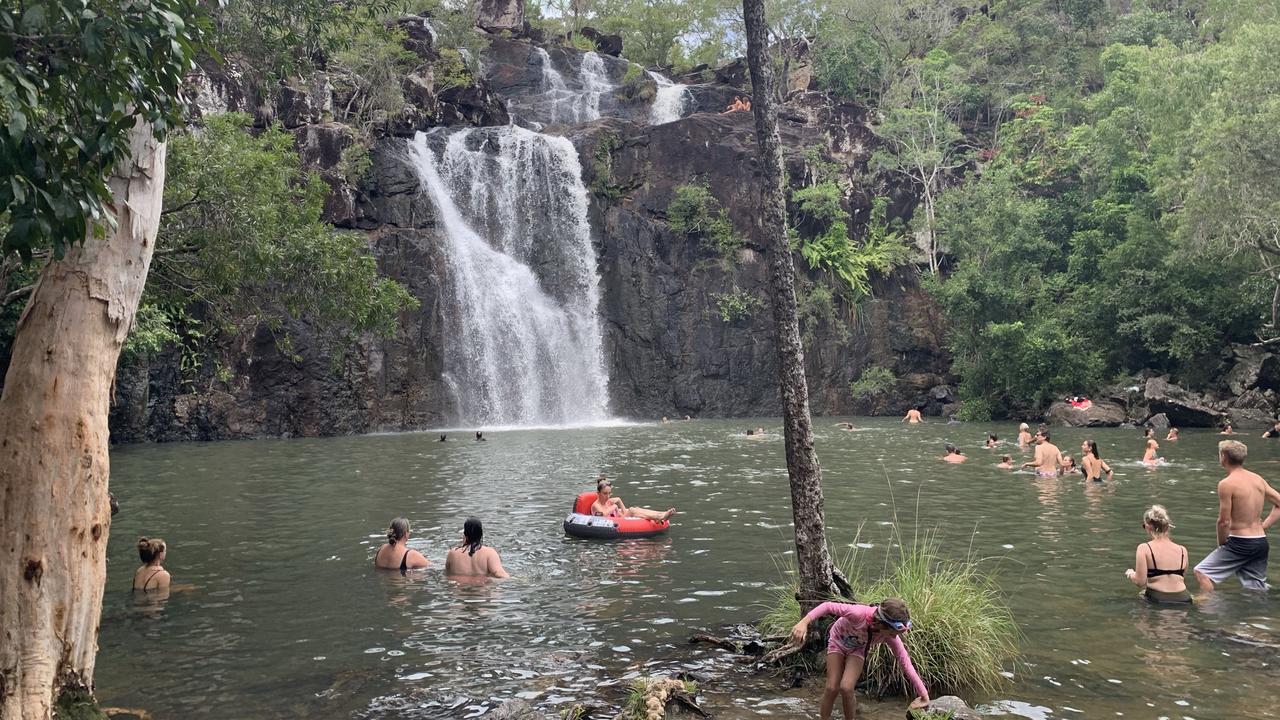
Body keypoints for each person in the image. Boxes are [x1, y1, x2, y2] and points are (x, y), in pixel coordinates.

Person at [787, 599, 929, 719]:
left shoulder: (890, 637)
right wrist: (804, 622)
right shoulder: (857, 613)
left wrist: (924, 695)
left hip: (858, 649)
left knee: (847, 688)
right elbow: (828, 606)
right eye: (893, 632)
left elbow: (906, 663)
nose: (894, 637)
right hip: (838, 641)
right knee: (831, 687)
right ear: (881, 623)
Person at [1194, 440, 1280, 592]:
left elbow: (1223, 521)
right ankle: (1260, 615)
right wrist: (1264, 525)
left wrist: (1222, 543)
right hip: (1260, 542)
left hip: (1240, 542)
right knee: (1255, 587)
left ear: (1223, 457)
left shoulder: (1227, 483)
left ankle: (1209, 610)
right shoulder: (1257, 479)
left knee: (1202, 572)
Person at [1125, 505, 1192, 604]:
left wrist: (1130, 574)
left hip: (1158, 598)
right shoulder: (1183, 550)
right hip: (1185, 598)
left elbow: (1140, 581)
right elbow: (1180, 577)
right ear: (1168, 526)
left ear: (1148, 527)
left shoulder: (1144, 548)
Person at [591, 476, 674, 521]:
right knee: (632, 510)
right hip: (610, 524)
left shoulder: (608, 503)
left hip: (619, 521)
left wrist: (619, 501)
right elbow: (603, 515)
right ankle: (660, 517)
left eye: (609, 493)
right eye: (605, 494)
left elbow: (623, 515)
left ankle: (661, 514)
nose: (608, 496)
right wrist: (614, 506)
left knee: (635, 509)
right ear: (598, 493)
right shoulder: (595, 505)